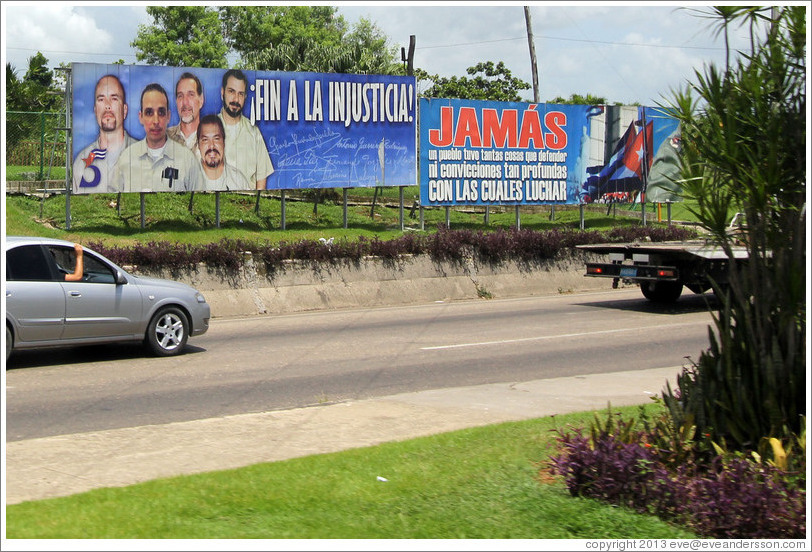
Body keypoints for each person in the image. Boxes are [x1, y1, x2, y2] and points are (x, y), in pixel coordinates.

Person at [111, 83, 202, 192]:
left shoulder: (187, 160)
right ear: (141, 117)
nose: (156, 121)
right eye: (149, 112)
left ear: (168, 116)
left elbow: (199, 202)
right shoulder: (126, 159)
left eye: (161, 112)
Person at [72, 74, 136, 194]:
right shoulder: (81, 161)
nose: (107, 105)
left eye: (114, 98)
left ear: (125, 110)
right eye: (101, 99)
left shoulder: (142, 155)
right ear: (95, 110)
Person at [217, 69, 274, 190]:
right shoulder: (208, 129)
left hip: (246, 203)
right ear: (222, 92)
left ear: (245, 97)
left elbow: (261, 178)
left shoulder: (253, 132)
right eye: (231, 91)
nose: (236, 99)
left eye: (240, 94)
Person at [196, 114, 251, 191]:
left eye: (216, 139)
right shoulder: (189, 181)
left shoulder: (238, 180)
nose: (211, 146)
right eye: (205, 140)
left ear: (224, 142)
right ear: (198, 145)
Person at [168, 72, 205, 151]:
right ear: (176, 101)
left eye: (191, 95)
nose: (185, 102)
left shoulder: (211, 139)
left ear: (201, 100)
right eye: (180, 96)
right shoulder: (164, 138)